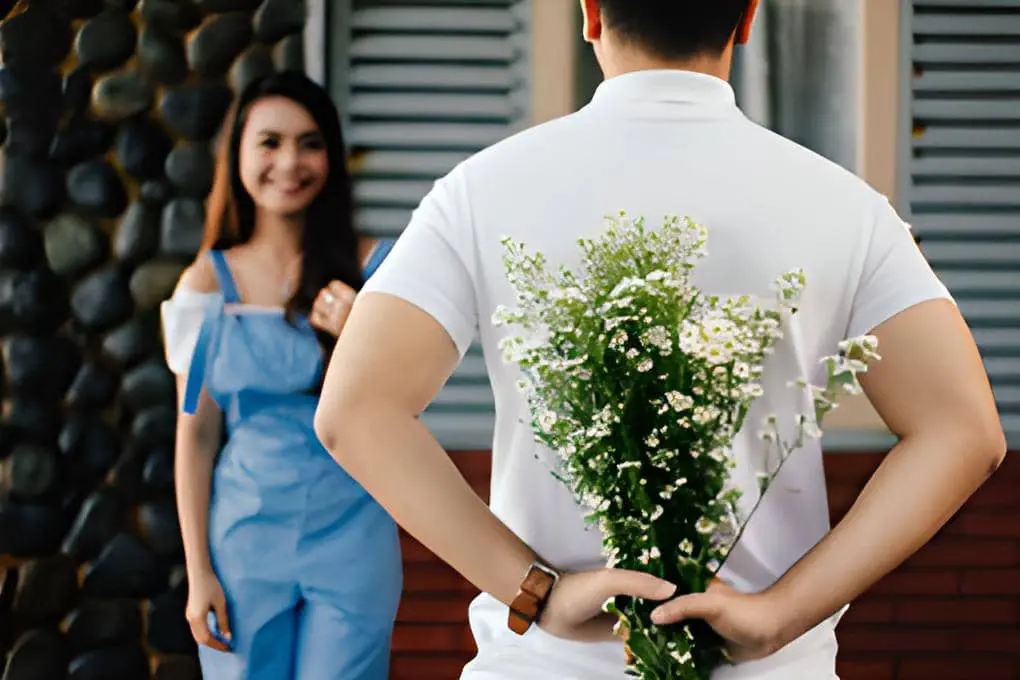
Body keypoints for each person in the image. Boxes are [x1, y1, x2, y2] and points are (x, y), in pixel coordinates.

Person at [312, 2, 1006, 679]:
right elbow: (966, 431)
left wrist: (537, 593)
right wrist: (782, 613)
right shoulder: (847, 206)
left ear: (590, 14)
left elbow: (355, 413)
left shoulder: (479, 191)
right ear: (747, 18)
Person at [161, 71, 401, 680]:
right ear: (237, 153)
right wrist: (199, 573)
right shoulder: (207, 283)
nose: (290, 162)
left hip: (355, 535)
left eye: (310, 142)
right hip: (242, 541)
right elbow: (196, 437)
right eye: (269, 142)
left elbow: (408, 410)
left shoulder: (380, 270)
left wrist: (360, 341)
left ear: (333, 157)